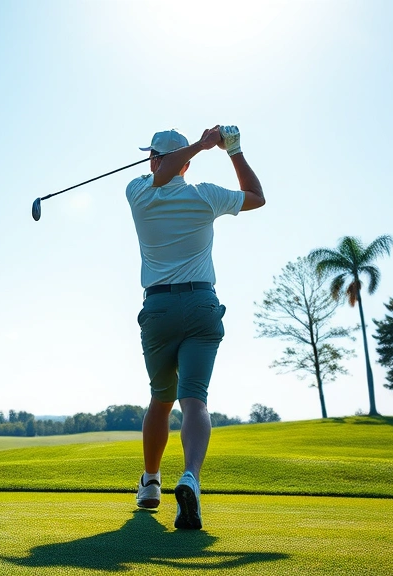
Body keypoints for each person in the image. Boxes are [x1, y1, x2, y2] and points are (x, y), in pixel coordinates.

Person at [126, 125, 265, 530]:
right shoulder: (204, 194)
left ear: (155, 157)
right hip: (202, 305)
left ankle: (151, 482)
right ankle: (191, 478)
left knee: (161, 398)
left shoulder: (138, 192)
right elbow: (256, 196)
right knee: (195, 402)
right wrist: (232, 151)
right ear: (188, 161)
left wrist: (201, 148)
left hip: (159, 307)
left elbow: (162, 170)